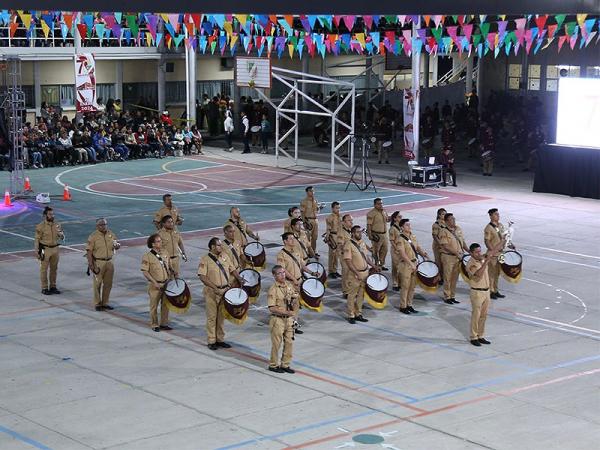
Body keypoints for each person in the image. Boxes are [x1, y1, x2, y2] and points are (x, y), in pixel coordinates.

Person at [198, 237, 243, 350]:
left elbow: (232, 269)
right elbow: (202, 277)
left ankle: (220, 339)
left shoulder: (224, 256)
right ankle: (211, 340)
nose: (221, 247)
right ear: (212, 247)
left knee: (221, 317)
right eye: (218, 245)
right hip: (212, 292)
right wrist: (215, 288)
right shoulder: (205, 259)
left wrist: (239, 279)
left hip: (225, 291)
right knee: (212, 317)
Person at [276, 232, 318, 335]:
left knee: (295, 305)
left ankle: (293, 325)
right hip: (288, 283)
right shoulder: (281, 255)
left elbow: (302, 265)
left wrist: (312, 272)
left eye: (293, 238)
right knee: (287, 306)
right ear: (285, 241)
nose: (293, 240)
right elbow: (282, 270)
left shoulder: (296, 251)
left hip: (298, 282)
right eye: (290, 239)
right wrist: (293, 279)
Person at [344, 225, 380, 324]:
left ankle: (358, 313)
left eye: (360, 232)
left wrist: (374, 266)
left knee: (361, 295)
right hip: (355, 274)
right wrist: (356, 273)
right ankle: (351, 314)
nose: (360, 234)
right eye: (357, 232)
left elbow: (366, 258)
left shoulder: (362, 243)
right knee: (352, 295)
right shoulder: (348, 244)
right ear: (353, 233)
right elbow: (348, 261)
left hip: (365, 273)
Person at [267, 265, 299, 373]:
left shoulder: (289, 286)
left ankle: (285, 364)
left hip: (289, 319)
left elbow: (295, 298)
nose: (282, 275)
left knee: (289, 342)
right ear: (274, 276)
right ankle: (273, 365)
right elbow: (272, 308)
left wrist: (294, 303)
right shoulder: (273, 289)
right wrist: (287, 312)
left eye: (283, 272)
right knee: (277, 344)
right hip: (277, 319)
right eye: (279, 273)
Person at [141, 234, 174, 332]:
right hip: (155, 285)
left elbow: (169, 266)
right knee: (154, 306)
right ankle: (154, 324)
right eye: (158, 241)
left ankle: (164, 323)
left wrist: (173, 272)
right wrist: (154, 283)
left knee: (165, 305)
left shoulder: (165, 252)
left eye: (161, 241)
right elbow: (145, 272)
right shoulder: (147, 256)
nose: (161, 243)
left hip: (166, 283)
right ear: (153, 244)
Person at [86, 218, 120, 311]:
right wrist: (91, 264)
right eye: (101, 225)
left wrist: (117, 246)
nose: (103, 226)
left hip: (110, 262)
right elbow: (89, 251)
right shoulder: (93, 236)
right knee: (97, 284)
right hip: (98, 263)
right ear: (97, 226)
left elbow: (115, 245)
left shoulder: (111, 234)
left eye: (105, 224)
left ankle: (105, 303)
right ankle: (97, 303)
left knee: (108, 284)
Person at [396, 219, 428, 314]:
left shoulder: (412, 236)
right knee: (405, 286)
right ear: (402, 227)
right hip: (406, 264)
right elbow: (402, 253)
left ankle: (409, 304)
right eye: (406, 225)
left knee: (412, 286)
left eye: (409, 225)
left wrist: (423, 253)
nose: (409, 226)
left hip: (414, 263)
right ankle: (403, 306)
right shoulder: (400, 239)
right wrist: (410, 263)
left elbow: (417, 247)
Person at [465, 243, 494, 346]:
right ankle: (473, 337)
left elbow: (493, 250)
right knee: (476, 315)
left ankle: (480, 335)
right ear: (471, 253)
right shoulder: (471, 264)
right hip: (477, 292)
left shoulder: (481, 259)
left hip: (486, 291)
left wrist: (504, 239)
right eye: (476, 252)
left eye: (479, 251)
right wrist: (486, 262)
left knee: (483, 315)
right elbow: (478, 274)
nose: (479, 253)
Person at [438, 213, 469, 305]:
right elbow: (445, 245)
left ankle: (452, 296)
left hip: (457, 258)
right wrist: (456, 253)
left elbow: (462, 242)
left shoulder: (458, 229)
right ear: (446, 221)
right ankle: (447, 296)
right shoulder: (443, 231)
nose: (454, 220)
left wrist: (468, 251)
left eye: (454, 218)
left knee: (455, 278)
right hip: (448, 257)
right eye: (451, 219)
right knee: (448, 277)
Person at [34, 206, 64, 295]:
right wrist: (37, 251)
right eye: (50, 214)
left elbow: (61, 235)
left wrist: (62, 235)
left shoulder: (57, 224)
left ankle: (53, 286)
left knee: (54, 269)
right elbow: (37, 240)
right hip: (44, 249)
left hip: (55, 248)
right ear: (45, 215)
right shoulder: (40, 226)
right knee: (44, 269)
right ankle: (44, 287)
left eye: (53, 214)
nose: (52, 216)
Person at [484, 208, 512, 299]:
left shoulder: (500, 225)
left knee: (497, 273)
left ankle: (495, 290)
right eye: (496, 214)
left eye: (498, 214)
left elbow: (504, 237)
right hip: (493, 254)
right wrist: (492, 251)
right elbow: (487, 241)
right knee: (491, 273)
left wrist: (510, 245)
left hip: (501, 253)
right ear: (491, 216)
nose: (498, 216)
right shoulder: (488, 228)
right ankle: (491, 291)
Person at [366, 198, 389, 270]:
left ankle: (381, 264)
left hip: (384, 234)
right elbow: (369, 225)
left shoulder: (384, 211)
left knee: (385, 250)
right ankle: (376, 265)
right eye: (379, 204)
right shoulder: (371, 213)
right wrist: (370, 235)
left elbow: (387, 219)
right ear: (375, 204)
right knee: (376, 251)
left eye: (382, 203)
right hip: (376, 235)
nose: (381, 205)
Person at [300, 186, 321, 256]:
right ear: (307, 192)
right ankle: (307, 253)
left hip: (315, 220)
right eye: (310, 191)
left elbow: (317, 211)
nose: (312, 192)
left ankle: (313, 252)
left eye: (313, 191)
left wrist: (319, 208)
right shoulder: (304, 201)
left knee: (315, 237)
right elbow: (302, 212)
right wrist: (304, 222)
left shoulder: (315, 200)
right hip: (308, 220)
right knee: (307, 238)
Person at [325, 201, 342, 279]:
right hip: (333, 235)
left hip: (339, 236)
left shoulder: (340, 216)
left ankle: (335, 270)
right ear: (332, 208)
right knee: (332, 255)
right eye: (336, 208)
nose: (338, 209)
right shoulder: (330, 217)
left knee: (337, 255)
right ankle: (331, 271)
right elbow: (328, 229)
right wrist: (328, 238)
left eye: (339, 208)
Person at [338, 214, 353, 298]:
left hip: (351, 255)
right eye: (349, 220)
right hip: (344, 255)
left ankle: (350, 287)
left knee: (351, 272)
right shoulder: (341, 231)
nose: (351, 222)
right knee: (346, 272)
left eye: (351, 220)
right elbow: (340, 245)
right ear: (343, 222)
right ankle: (345, 291)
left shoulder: (350, 230)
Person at [388, 211, 403, 292]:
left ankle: (400, 282)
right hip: (395, 250)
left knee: (401, 266)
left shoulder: (401, 227)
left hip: (401, 250)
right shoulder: (392, 229)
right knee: (395, 266)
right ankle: (395, 283)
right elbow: (392, 240)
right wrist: (396, 249)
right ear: (395, 218)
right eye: (399, 217)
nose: (401, 218)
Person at [431, 208, 447, 286]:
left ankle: (443, 277)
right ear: (439, 215)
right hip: (438, 246)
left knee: (444, 262)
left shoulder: (446, 223)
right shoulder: (436, 224)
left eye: (445, 214)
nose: (444, 215)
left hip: (445, 246)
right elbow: (434, 235)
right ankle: (438, 277)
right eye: (443, 214)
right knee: (438, 263)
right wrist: (440, 244)